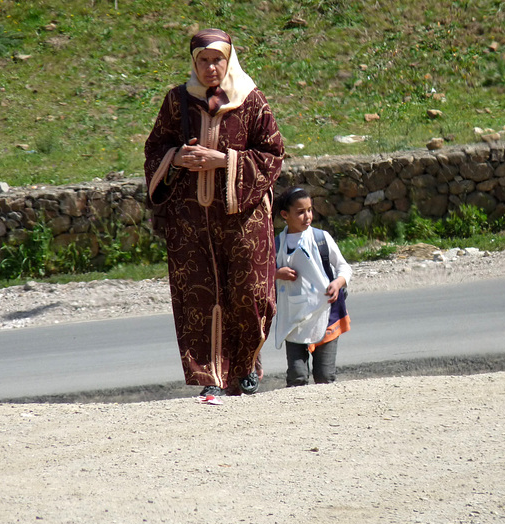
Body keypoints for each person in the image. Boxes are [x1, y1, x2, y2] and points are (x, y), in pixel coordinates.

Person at [144, 29, 284, 397]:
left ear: (229, 59)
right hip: (191, 222)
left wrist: (223, 160)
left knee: (251, 295)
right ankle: (211, 379)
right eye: (202, 61)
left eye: (216, 60)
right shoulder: (177, 101)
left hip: (243, 220)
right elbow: (156, 147)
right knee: (199, 298)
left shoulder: (251, 100)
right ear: (194, 63)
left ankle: (245, 367)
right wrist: (177, 158)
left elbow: (273, 154)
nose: (210, 68)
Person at [274, 187, 352, 386]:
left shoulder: (321, 238)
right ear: (285, 215)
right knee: (297, 376)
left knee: (325, 376)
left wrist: (338, 282)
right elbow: (260, 275)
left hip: (326, 312)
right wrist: (276, 273)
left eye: (309, 210)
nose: (307, 216)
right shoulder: (276, 244)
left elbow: (344, 267)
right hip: (294, 316)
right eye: (300, 212)